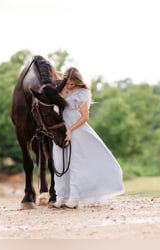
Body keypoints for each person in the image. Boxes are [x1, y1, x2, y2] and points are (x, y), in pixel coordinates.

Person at [52, 67, 125, 209]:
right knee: (59, 163)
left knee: (74, 163)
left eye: (73, 83)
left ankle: (74, 198)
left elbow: (85, 117)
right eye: (68, 82)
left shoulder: (83, 93)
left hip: (76, 128)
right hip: (60, 128)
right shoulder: (60, 89)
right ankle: (61, 197)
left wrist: (71, 130)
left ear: (78, 82)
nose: (70, 86)